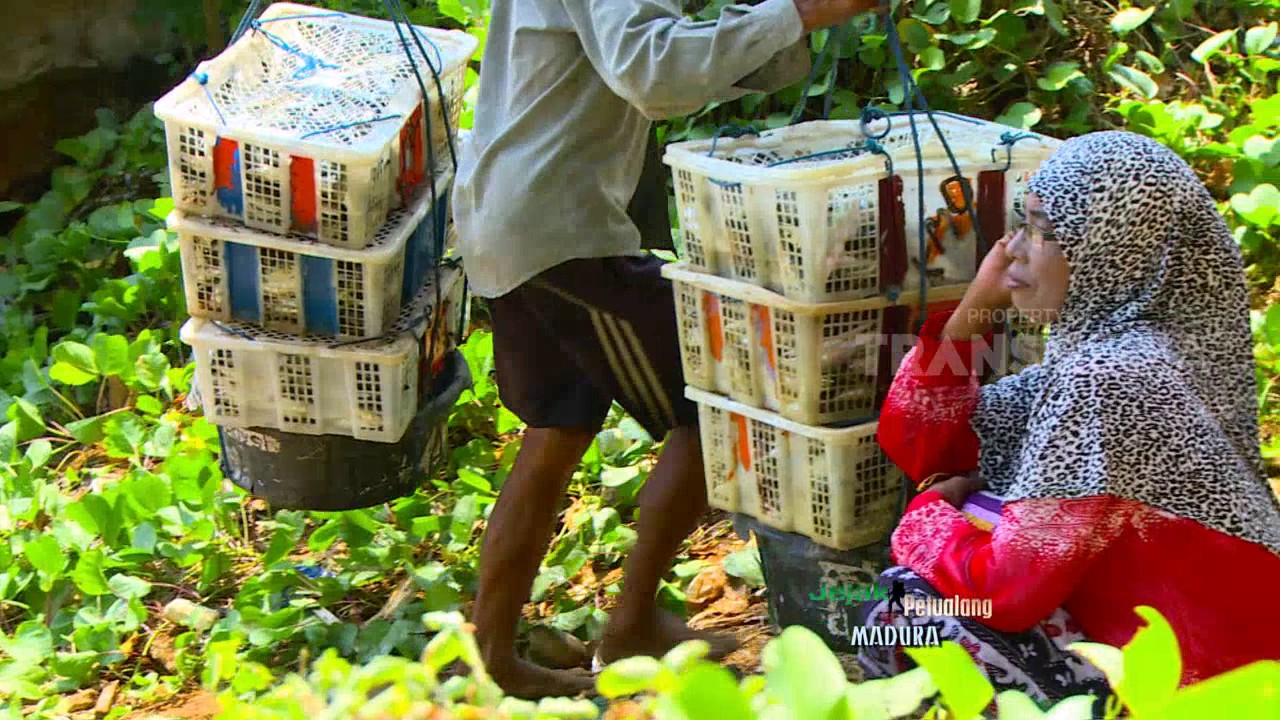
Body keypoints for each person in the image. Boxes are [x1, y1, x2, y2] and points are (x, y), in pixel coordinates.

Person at [451, 0, 883, 699]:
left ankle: (495, 657)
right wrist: (801, 14)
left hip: (515, 218)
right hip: (564, 230)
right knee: (723, 393)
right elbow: (652, 71)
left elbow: (657, 54)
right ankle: (631, 627)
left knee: (558, 428)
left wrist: (785, 26)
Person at [850, 131, 1280, 709]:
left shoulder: (1111, 375)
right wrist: (972, 313)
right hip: (1193, 650)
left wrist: (926, 517)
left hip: (1210, 685)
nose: (1013, 251)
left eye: (1045, 232)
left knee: (904, 615)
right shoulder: (1121, 351)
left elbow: (1006, 592)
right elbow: (926, 442)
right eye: (1022, 226)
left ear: (1115, 251)